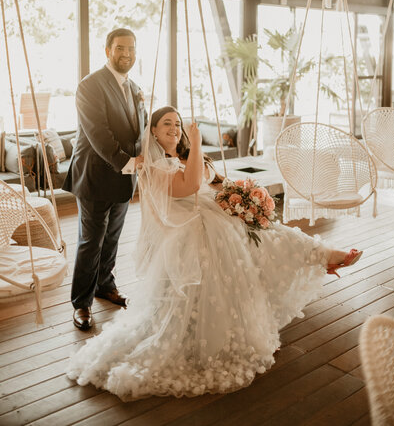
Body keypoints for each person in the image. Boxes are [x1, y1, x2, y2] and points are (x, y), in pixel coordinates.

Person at [67, 106, 362, 399]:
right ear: (153, 131)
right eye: (166, 123)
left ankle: (323, 255)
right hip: (188, 228)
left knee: (268, 231)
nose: (174, 128)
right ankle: (324, 257)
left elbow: (217, 182)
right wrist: (196, 144)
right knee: (251, 238)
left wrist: (247, 198)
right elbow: (189, 185)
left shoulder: (184, 158)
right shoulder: (152, 166)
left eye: (177, 124)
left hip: (215, 215)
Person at [63, 28, 146, 331]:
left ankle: (104, 285)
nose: (127, 54)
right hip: (96, 176)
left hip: (125, 178)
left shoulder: (134, 86)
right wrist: (128, 163)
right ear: (108, 50)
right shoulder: (90, 86)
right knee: (91, 240)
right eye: (121, 48)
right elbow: (99, 133)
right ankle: (81, 303)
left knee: (112, 237)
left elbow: (140, 130)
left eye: (131, 48)